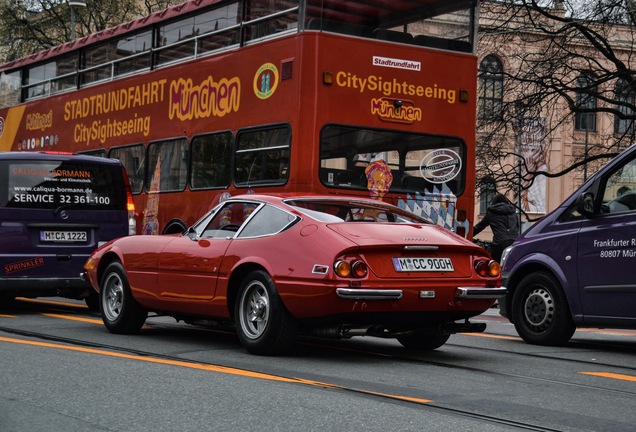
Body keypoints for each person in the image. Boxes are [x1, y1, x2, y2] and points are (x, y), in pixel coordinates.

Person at [473, 193, 519, 262]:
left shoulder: (492, 212)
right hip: (514, 243)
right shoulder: (513, 212)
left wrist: (468, 235)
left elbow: (479, 227)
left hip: (499, 244)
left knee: (492, 265)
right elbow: (517, 227)